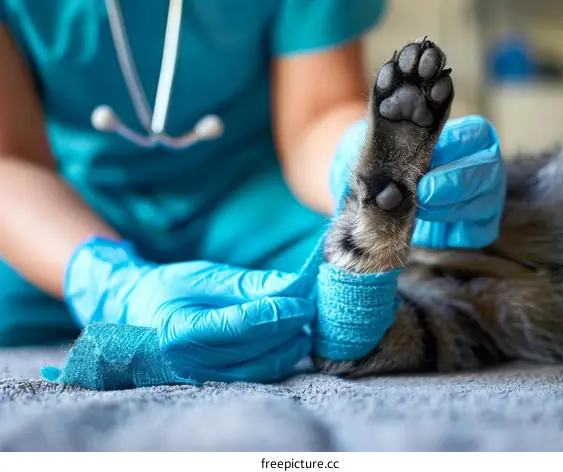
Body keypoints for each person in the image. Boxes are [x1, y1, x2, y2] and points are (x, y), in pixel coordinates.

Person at [0, 0, 505, 383]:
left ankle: (370, 218)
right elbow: (9, 160)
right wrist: (107, 282)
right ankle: (357, 278)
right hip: (58, 213)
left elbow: (313, 117)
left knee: (438, 267)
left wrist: (356, 159)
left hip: (256, 200)